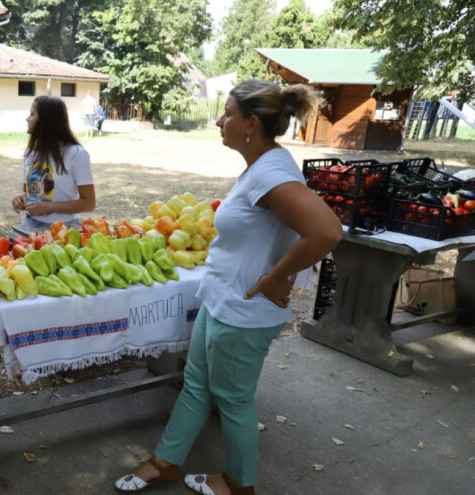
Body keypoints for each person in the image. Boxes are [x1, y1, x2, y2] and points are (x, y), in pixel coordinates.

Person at [113, 79, 342, 495]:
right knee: (195, 386)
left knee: (234, 400)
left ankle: (239, 483)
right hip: (220, 301)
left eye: (228, 113)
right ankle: (166, 462)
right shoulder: (261, 166)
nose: (220, 121)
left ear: (251, 124)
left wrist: (277, 277)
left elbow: (326, 231)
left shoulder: (271, 172)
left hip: (244, 312)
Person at [12, 96, 96, 234]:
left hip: (64, 228)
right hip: (30, 224)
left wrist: (50, 207)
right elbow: (29, 193)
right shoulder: (30, 152)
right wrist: (21, 199)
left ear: (46, 120)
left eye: (32, 114)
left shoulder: (76, 154)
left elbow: (89, 203)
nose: (27, 119)